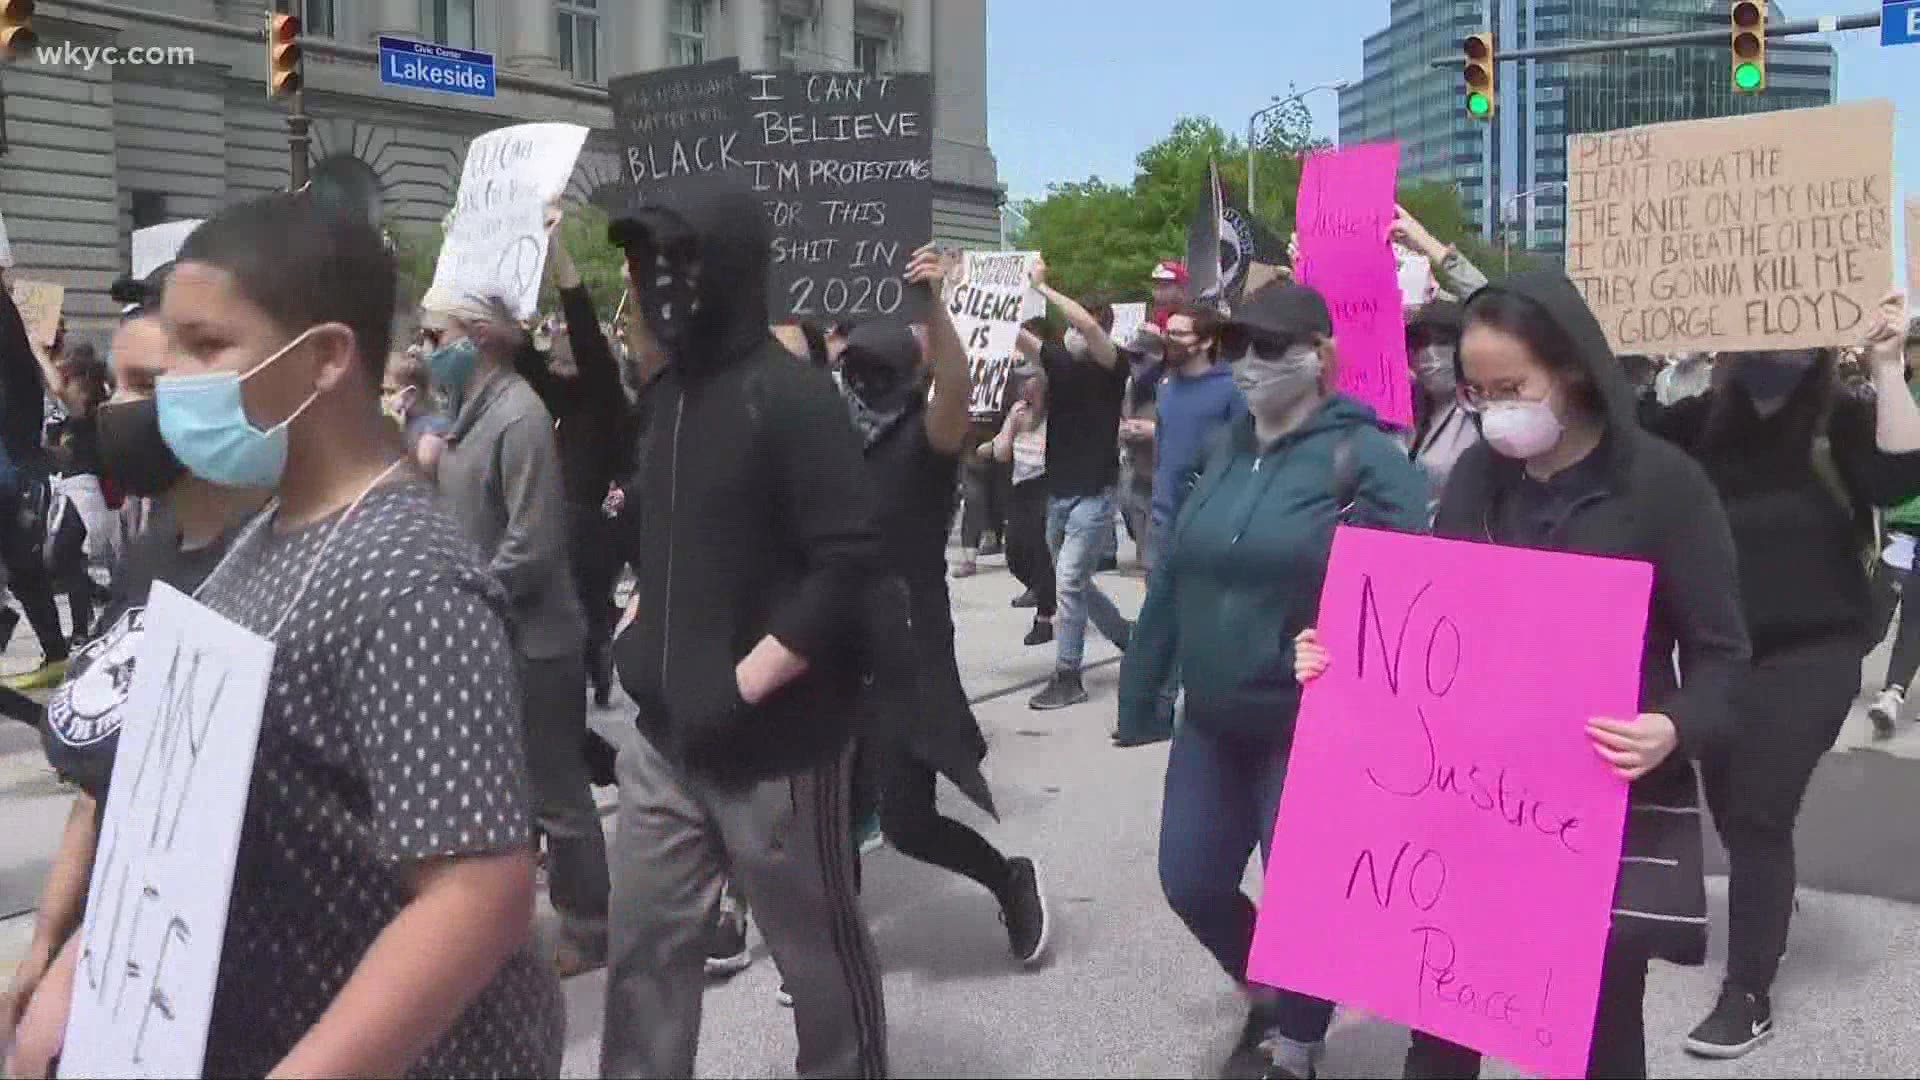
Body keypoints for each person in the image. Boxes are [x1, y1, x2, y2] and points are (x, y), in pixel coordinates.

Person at [1296, 270, 1750, 1079]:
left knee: (1597, 1034)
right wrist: (1340, 659)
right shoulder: (1477, 478)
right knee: (1439, 1028)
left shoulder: (1665, 486)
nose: (1493, 407)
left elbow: (1724, 659)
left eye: (1512, 386)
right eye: (1477, 390)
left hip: (1594, 812)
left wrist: (1672, 727)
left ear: (1571, 369)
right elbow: (1425, 630)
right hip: (1466, 805)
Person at [149, 192, 563, 1075]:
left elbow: (479, 893)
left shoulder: (410, 580)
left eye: (207, 346)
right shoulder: (267, 532)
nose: (170, 377)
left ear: (327, 358)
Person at [601, 177, 886, 1079]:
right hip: (661, 746)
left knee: (817, 963)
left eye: (678, 259)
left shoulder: (794, 398)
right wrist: (642, 630)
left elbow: (845, 566)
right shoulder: (668, 400)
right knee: (643, 962)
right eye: (644, 262)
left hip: (781, 755)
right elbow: (677, 534)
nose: (656, 281)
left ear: (729, 266)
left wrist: (746, 682)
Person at [1120, 282, 1428, 1080]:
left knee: (1304, 900)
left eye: (1266, 347)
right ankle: (1267, 989)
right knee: (1189, 879)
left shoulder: (1369, 458)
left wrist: (1350, 645)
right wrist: (1143, 687)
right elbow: (1177, 573)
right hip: (1212, 717)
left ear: (1318, 358)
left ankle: (1295, 1043)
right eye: (1237, 348)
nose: (1248, 365)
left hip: (1312, 723)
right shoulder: (1227, 447)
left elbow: (1419, 597)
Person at [1637, 294, 1920, 1058]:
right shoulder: (1700, 423)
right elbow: (1628, 447)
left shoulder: (1844, 418)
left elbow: (1900, 481)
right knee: (1730, 801)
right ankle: (1774, 892)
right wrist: (1679, 371)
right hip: (1719, 654)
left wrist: (1889, 366)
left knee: (1760, 808)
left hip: (1818, 647)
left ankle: (1749, 991)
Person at [0, 309, 270, 1078]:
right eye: (116, 384)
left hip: (208, 969)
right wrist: (49, 938)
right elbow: (102, 785)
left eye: (146, 385)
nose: (119, 407)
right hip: (118, 940)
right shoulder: (155, 552)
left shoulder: (276, 566)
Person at [838, 251, 1051, 970]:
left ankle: (1007, 876)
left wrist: (933, 305)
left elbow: (956, 390)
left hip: (908, 651)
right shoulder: (832, 446)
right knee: (828, 814)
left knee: (907, 821)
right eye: (852, 370)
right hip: (836, 647)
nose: (861, 382)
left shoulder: (925, 441)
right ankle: (838, 940)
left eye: (875, 370)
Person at [426, 292, 613, 978]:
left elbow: (531, 547)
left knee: (557, 794)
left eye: (436, 333)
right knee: (506, 794)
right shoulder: (468, 417)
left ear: (476, 337)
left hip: (533, 642)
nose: (425, 346)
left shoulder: (520, 416)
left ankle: (591, 928)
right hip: (489, 634)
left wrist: (463, 599)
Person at [514, 204, 629, 709]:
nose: (561, 350)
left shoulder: (606, 401)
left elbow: (585, 335)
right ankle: (591, 655)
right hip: (557, 521)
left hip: (589, 525)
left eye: (568, 348)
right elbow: (526, 363)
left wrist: (563, 267)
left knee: (586, 605)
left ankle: (598, 652)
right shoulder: (560, 400)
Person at [1020, 258, 1135, 710]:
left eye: (1073, 328)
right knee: (1075, 583)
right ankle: (1128, 635)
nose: (1066, 335)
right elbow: (1010, 334)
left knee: (1068, 580)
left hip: (1095, 492)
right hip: (1059, 493)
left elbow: (1086, 325)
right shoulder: (1059, 362)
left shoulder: (1113, 364)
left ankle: (1069, 675)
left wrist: (1043, 288)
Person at [0, 284, 72, 689]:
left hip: (9, 474)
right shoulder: (17, 351)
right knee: (24, 570)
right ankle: (55, 651)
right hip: (16, 472)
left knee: (22, 568)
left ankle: (52, 648)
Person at [38, 342, 118, 643]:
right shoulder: (77, 419)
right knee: (68, 558)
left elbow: (58, 389)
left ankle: (90, 610)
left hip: (84, 492)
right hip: (72, 487)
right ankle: (82, 626)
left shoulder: (88, 411)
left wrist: (37, 350)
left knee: (63, 555)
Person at [1866, 318, 1920, 737]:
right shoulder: (1893, 393)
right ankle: (1842, 666)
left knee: (1916, 615)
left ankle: (1894, 692)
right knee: (1879, 607)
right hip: (1900, 522)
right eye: (1914, 344)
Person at [993, 364, 1056, 647]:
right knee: (1015, 552)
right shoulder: (1018, 412)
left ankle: (1044, 618)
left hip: (1047, 485)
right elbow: (1002, 453)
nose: (1024, 387)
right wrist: (1010, 424)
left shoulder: (1055, 415)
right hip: (1020, 487)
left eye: (1029, 380)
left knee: (1040, 549)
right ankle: (1049, 591)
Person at [1405, 299, 1479, 503]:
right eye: (1420, 343)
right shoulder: (1403, 408)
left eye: (1443, 342)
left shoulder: (1481, 414)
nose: (1431, 354)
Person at [380, 345, 448, 474]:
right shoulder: (402, 424)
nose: (383, 399)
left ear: (411, 395)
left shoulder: (430, 437)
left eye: (389, 391)